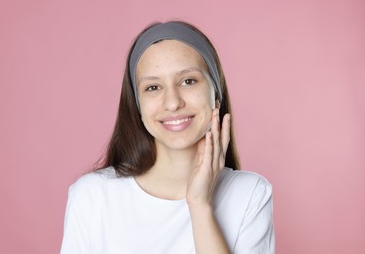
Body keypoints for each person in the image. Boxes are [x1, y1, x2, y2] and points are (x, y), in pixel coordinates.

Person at [60, 21, 275, 254]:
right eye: (153, 87)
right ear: (138, 106)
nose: (173, 102)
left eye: (188, 81)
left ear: (216, 96)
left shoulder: (250, 193)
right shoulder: (92, 197)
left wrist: (199, 205)